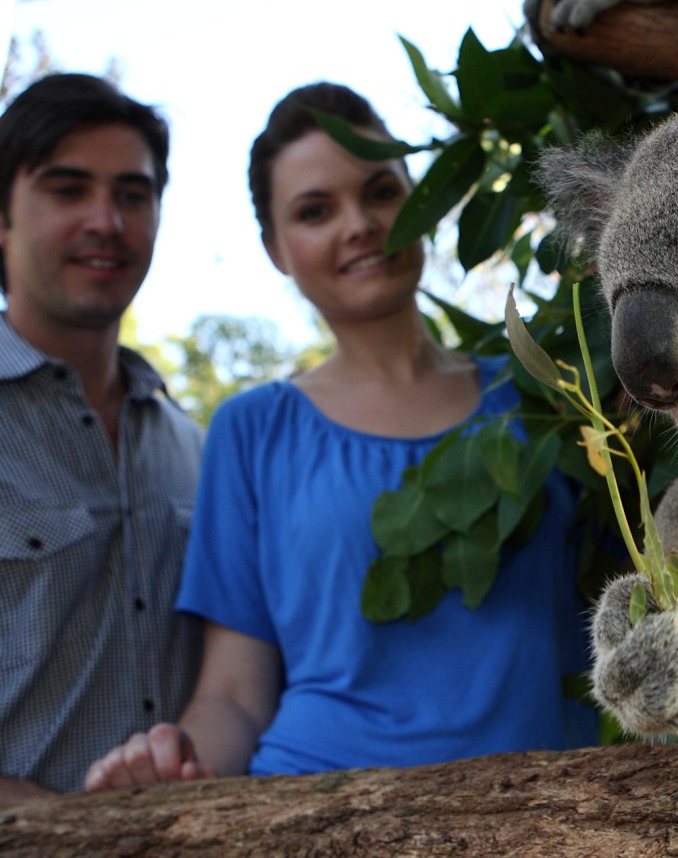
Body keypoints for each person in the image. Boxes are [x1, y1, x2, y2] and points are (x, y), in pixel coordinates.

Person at [85, 82, 596, 790]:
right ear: (276, 248)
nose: (358, 224)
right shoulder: (252, 428)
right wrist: (171, 766)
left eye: (381, 191)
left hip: (561, 811)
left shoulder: (549, 389)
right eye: (315, 210)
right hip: (319, 809)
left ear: (422, 198)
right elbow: (234, 694)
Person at [0, 74, 204, 802]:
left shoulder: (197, 451)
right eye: (66, 190)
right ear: (4, 217)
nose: (106, 221)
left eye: (132, 194)